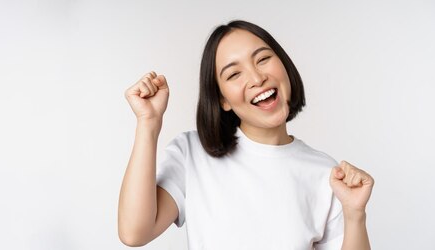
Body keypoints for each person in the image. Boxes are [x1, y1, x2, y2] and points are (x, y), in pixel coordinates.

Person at [118, 20, 374, 250]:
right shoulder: (192, 153)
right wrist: (148, 123)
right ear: (223, 100)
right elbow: (134, 233)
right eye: (234, 74)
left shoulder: (325, 174)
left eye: (263, 59)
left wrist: (355, 214)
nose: (256, 78)